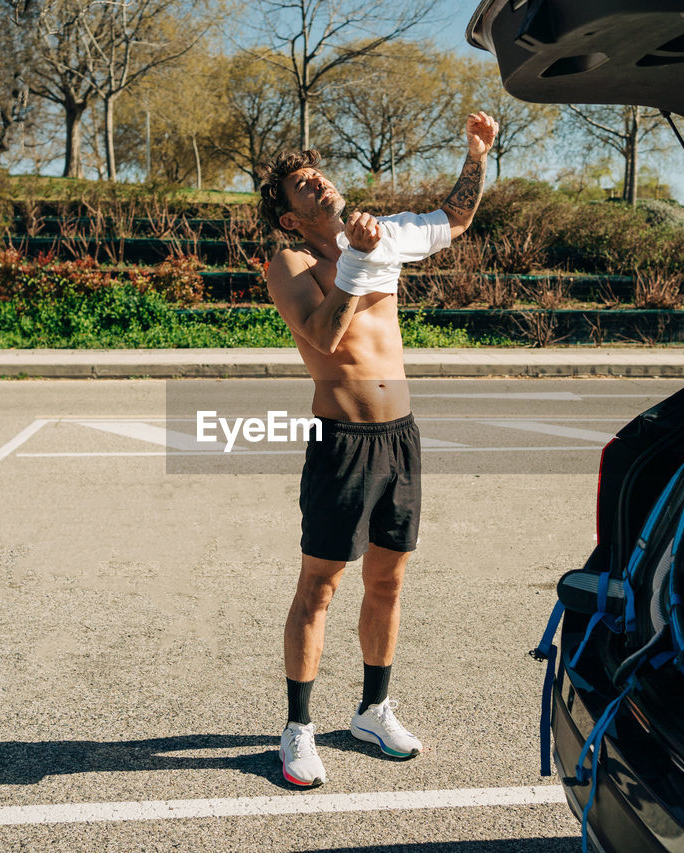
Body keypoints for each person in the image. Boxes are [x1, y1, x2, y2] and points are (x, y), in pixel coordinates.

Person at [255, 112, 499, 788]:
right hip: (341, 443)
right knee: (320, 585)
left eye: (317, 173)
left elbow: (455, 218)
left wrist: (475, 153)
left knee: (388, 579)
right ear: (288, 216)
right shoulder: (291, 262)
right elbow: (324, 334)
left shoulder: (383, 237)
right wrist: (358, 259)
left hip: (401, 437)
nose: (317, 181)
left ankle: (372, 710)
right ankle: (298, 728)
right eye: (301, 186)